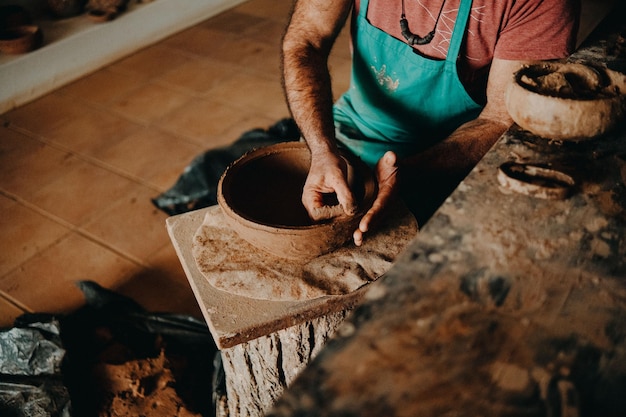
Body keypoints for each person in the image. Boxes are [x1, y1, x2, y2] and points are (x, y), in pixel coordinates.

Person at [281, 0, 580, 245]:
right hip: (349, 131)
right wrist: (321, 148)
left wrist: (404, 175)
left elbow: (501, 120)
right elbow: (306, 40)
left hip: (453, 157)